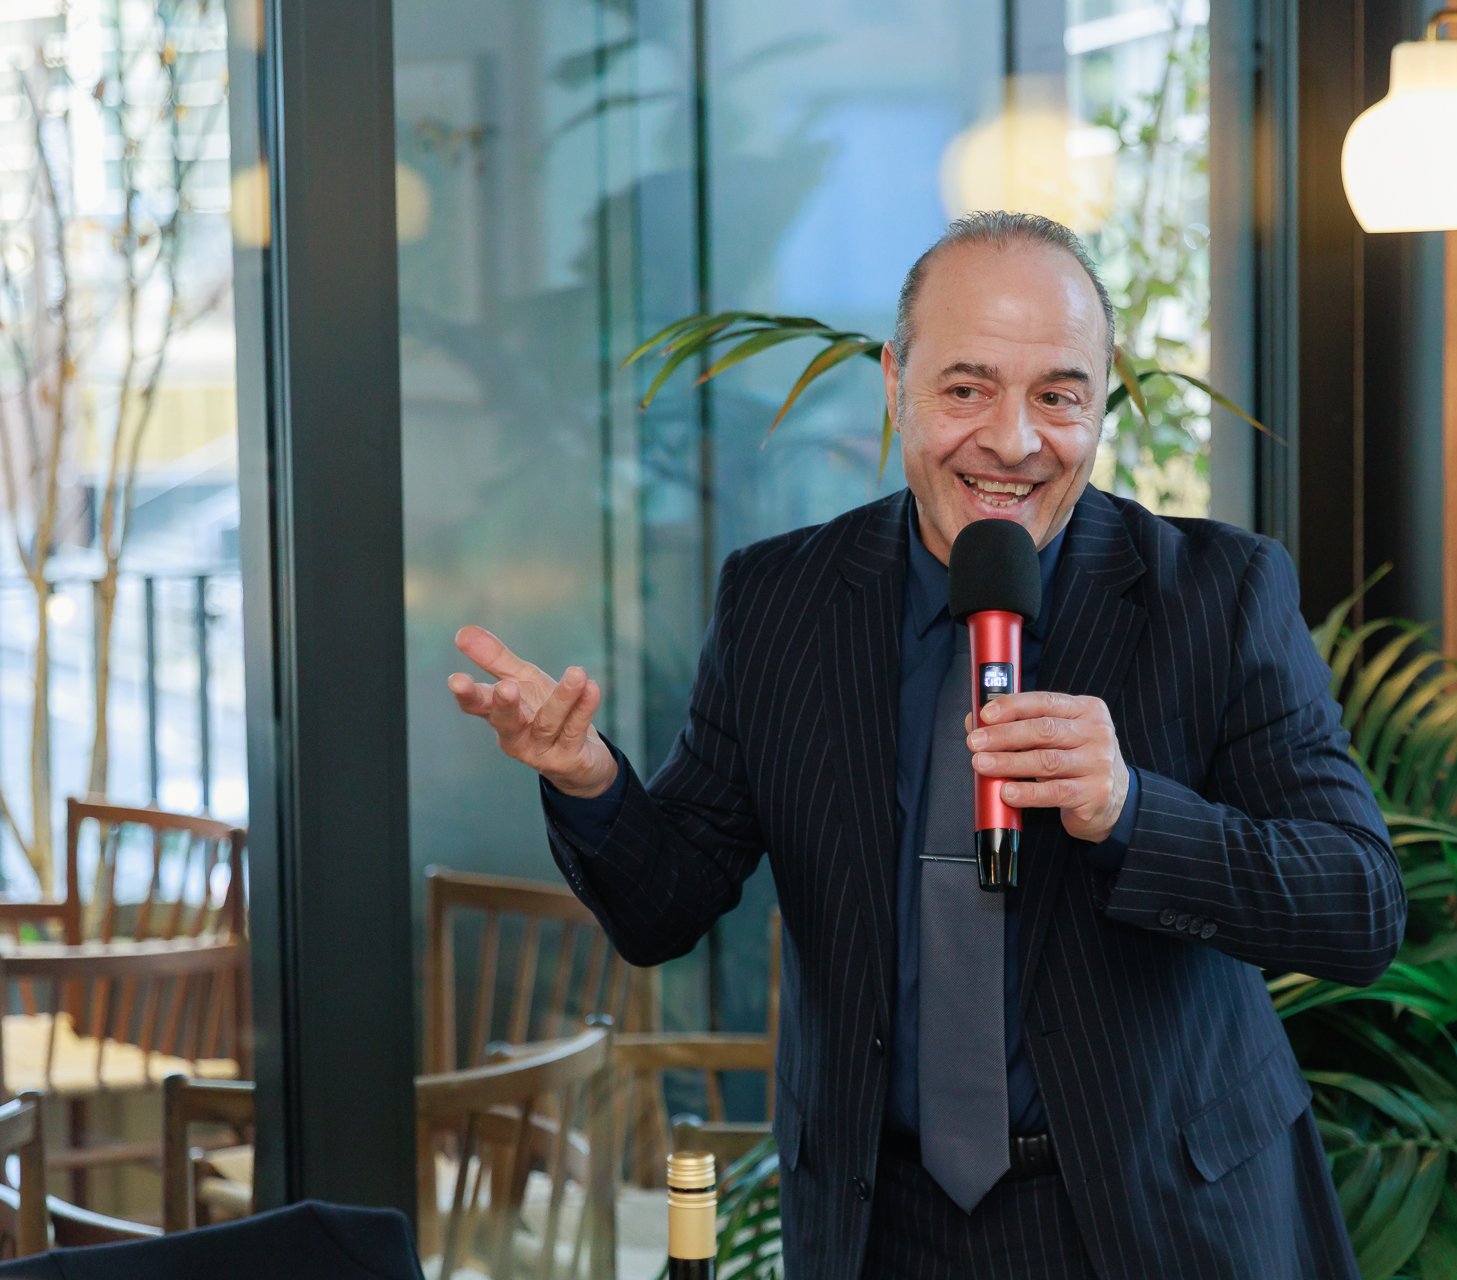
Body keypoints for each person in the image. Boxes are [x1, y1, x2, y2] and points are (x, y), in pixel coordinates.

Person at [448, 210, 1406, 1279]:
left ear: (1104, 398)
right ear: (896, 385)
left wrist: (1132, 811)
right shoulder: (780, 600)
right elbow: (666, 903)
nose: (1012, 439)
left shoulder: (1220, 594)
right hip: (878, 1222)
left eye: (1058, 394)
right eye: (967, 388)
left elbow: (1358, 905)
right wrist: (588, 779)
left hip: (1158, 1218)